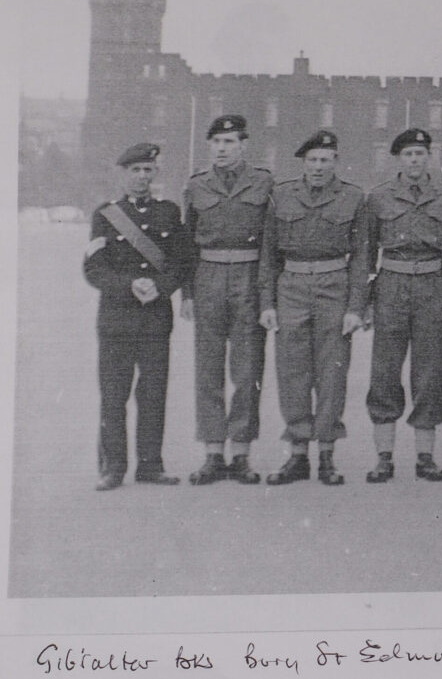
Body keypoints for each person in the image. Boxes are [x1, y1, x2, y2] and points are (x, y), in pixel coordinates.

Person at [258, 131, 369, 486]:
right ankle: (297, 455)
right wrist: (267, 302)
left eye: (325, 160)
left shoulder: (353, 197)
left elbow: (362, 257)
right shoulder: (281, 195)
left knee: (332, 372)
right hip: (291, 286)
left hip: (334, 285)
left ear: (336, 162)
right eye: (312, 161)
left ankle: (326, 456)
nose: (319, 167)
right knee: (292, 372)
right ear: (303, 164)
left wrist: (355, 306)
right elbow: (268, 254)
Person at [85, 143, 188, 491]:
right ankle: (113, 467)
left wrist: (161, 286)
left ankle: (150, 465)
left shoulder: (169, 213)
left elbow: (181, 262)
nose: (142, 177)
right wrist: (131, 284)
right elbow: (94, 269)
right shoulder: (105, 215)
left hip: (155, 318)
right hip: (116, 320)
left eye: (148, 170)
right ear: (123, 174)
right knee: (114, 396)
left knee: (153, 394)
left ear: (155, 173)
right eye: (135, 171)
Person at [180, 115, 274, 485]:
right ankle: (213, 453)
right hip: (208, 277)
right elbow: (186, 244)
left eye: (229, 142)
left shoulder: (264, 182)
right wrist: (186, 293)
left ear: (244, 145)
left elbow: (270, 244)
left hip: (249, 280)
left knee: (248, 370)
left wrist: (267, 296)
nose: (221, 148)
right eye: (216, 142)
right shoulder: (196, 185)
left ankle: (241, 454)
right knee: (208, 369)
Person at [363, 128, 442, 482]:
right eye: (408, 154)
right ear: (398, 159)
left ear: (429, 157)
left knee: (429, 373)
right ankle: (384, 457)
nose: (415, 160)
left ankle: (425, 457)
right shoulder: (378, 198)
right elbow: (366, 253)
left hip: (431, 286)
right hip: (391, 286)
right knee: (384, 372)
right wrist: (367, 301)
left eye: (420, 153)